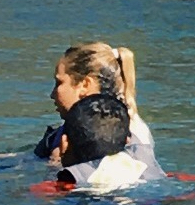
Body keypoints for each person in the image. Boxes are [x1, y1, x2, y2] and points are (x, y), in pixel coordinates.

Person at [38, 42, 162, 178]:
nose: (52, 94)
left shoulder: (131, 134)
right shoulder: (66, 129)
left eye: (59, 83)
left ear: (85, 85)